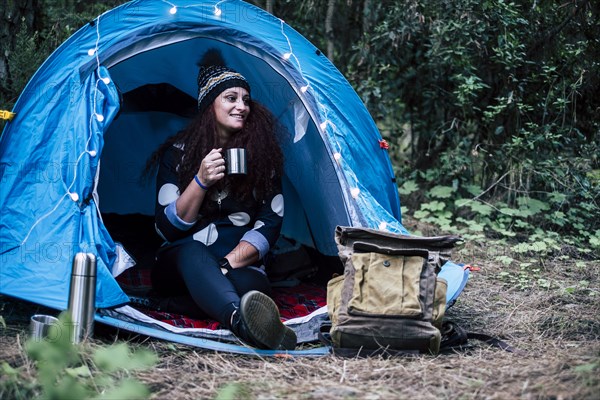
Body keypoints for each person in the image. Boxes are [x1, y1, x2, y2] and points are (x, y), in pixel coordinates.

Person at [142, 50, 296, 350]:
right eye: (231, 98)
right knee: (193, 254)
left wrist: (226, 264)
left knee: (255, 287)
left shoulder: (263, 157)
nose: (242, 106)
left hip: (235, 264)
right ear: (209, 105)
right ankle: (243, 323)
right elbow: (166, 229)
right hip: (181, 263)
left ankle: (179, 305)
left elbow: (270, 223)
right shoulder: (179, 153)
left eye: (246, 100)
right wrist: (201, 180)